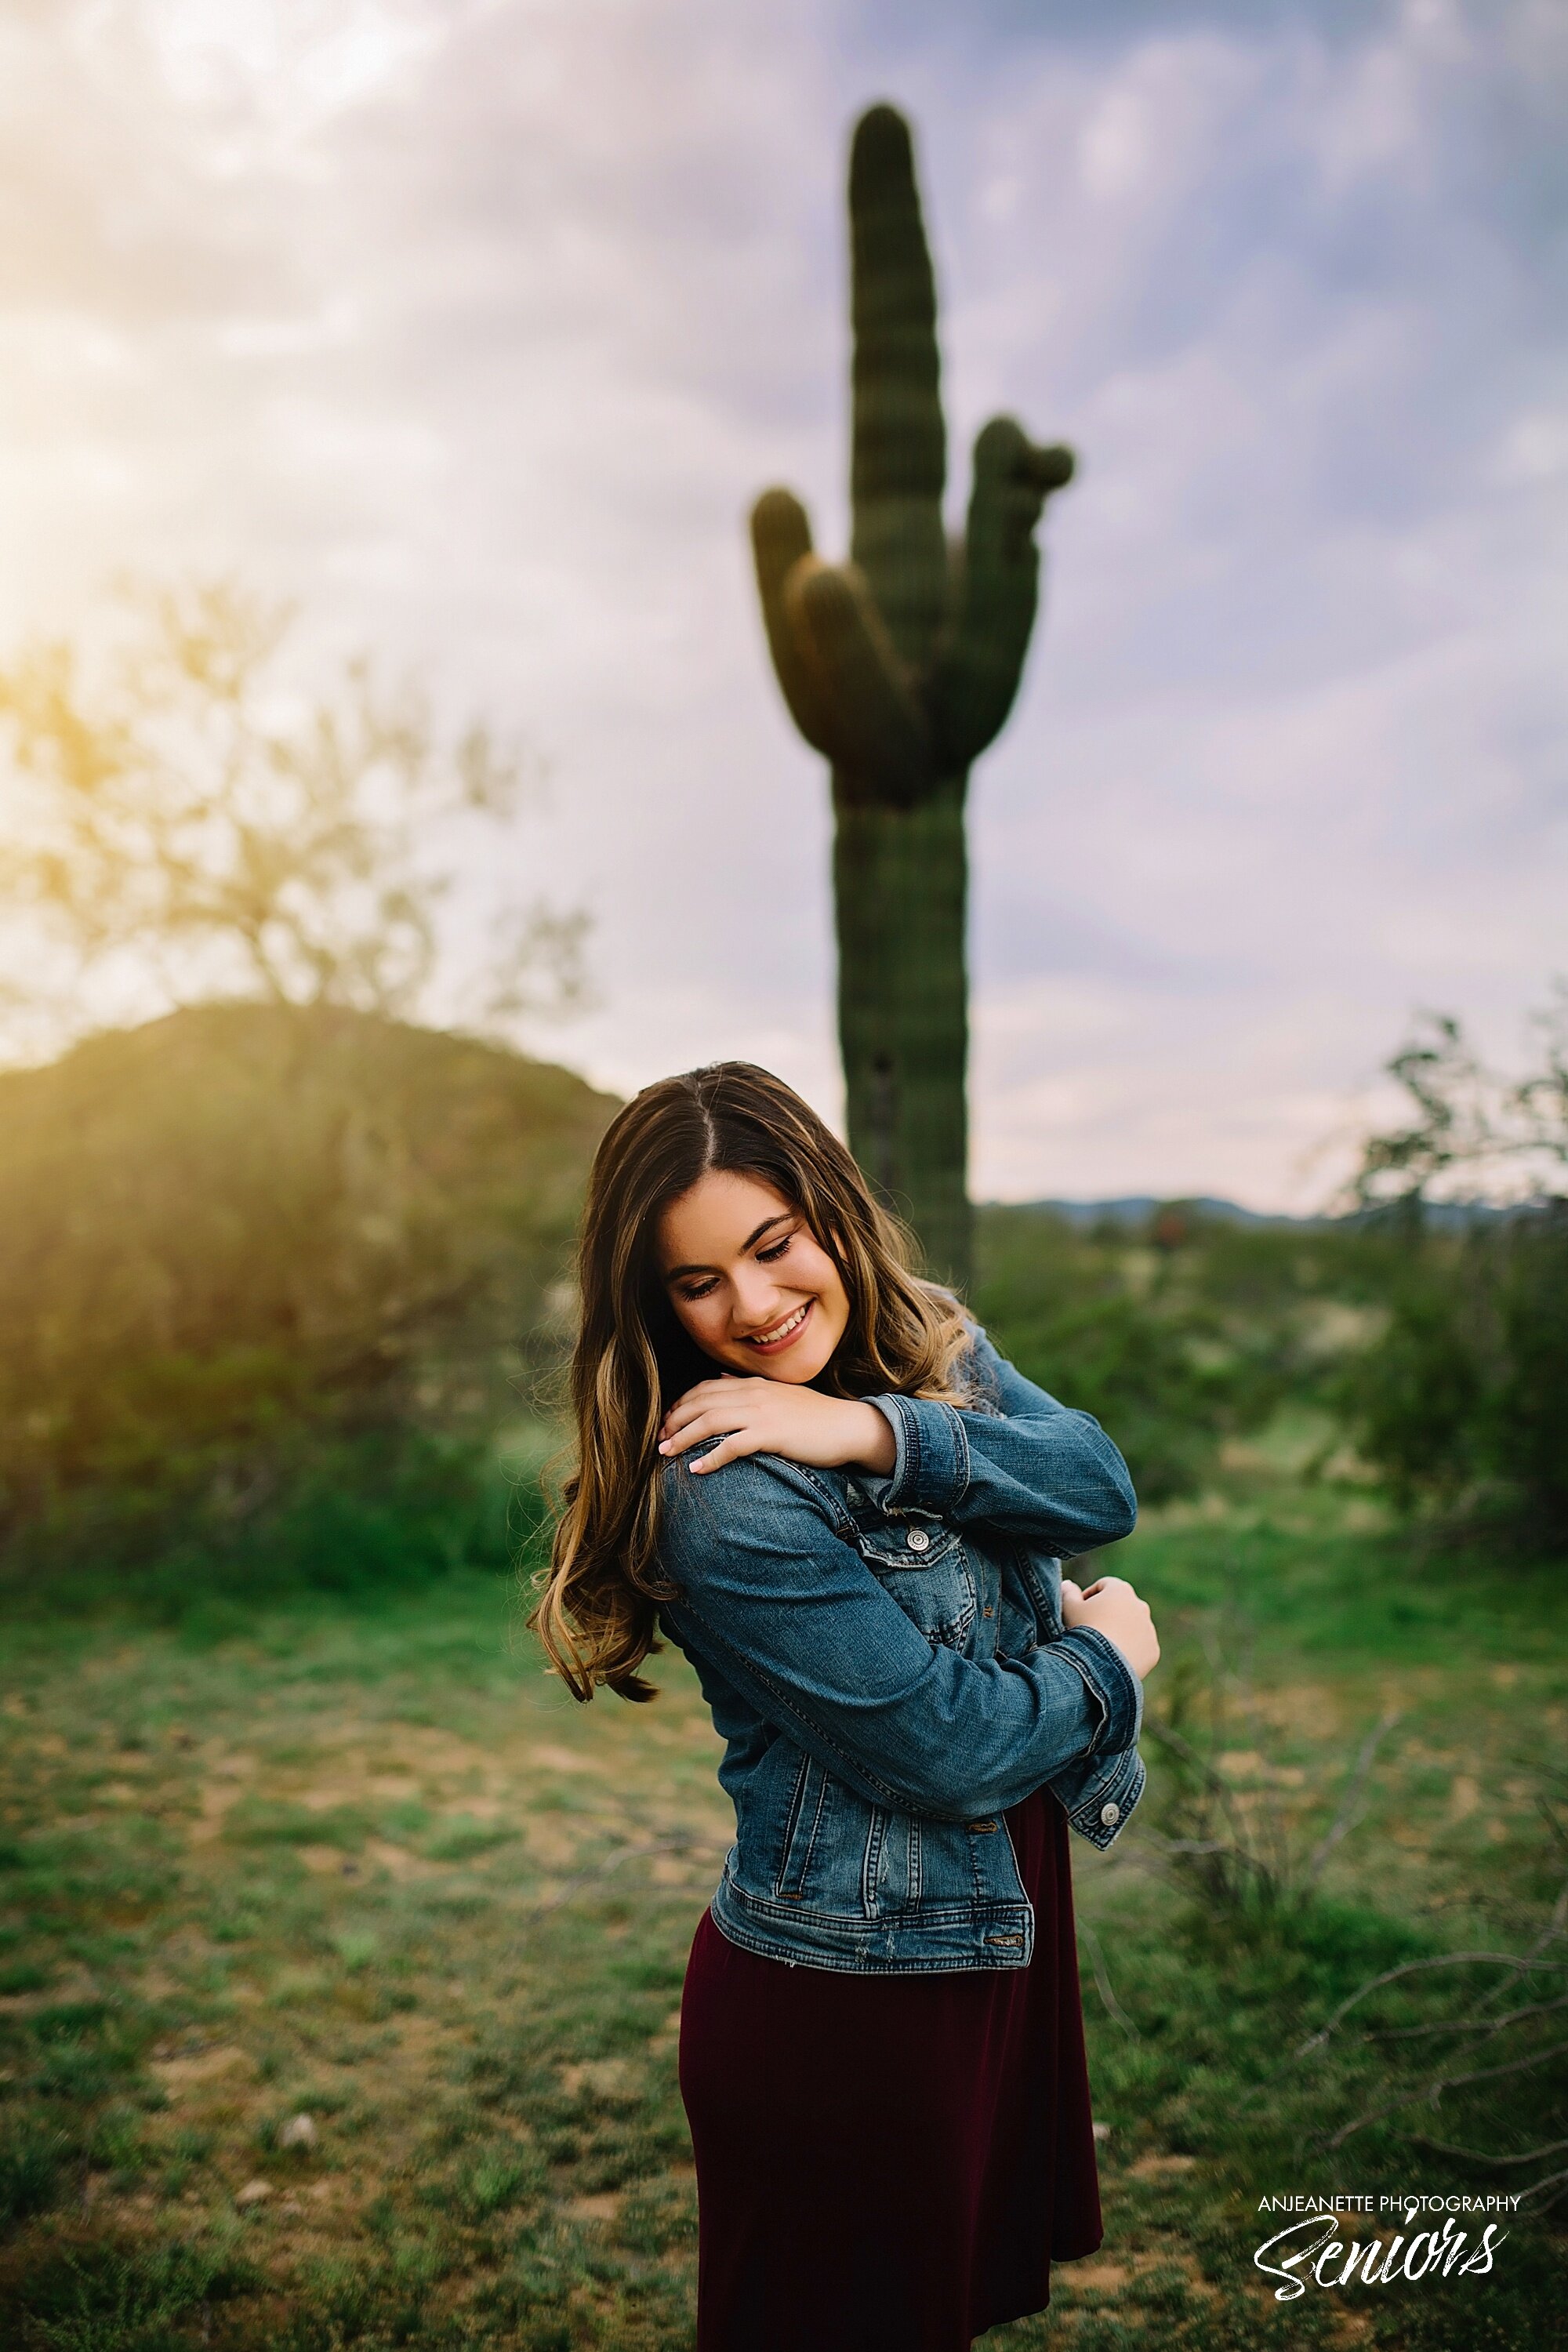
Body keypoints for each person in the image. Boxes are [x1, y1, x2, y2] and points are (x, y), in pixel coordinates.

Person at [532, 1062, 1160, 2352]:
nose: (752, 1309)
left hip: (989, 1927)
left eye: (772, 1249)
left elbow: (1097, 1487)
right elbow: (948, 1750)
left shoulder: (926, 1340)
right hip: (850, 1993)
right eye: (697, 1283)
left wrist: (875, 1434)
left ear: (832, 1208)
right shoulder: (719, 1486)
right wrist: (1109, 1663)